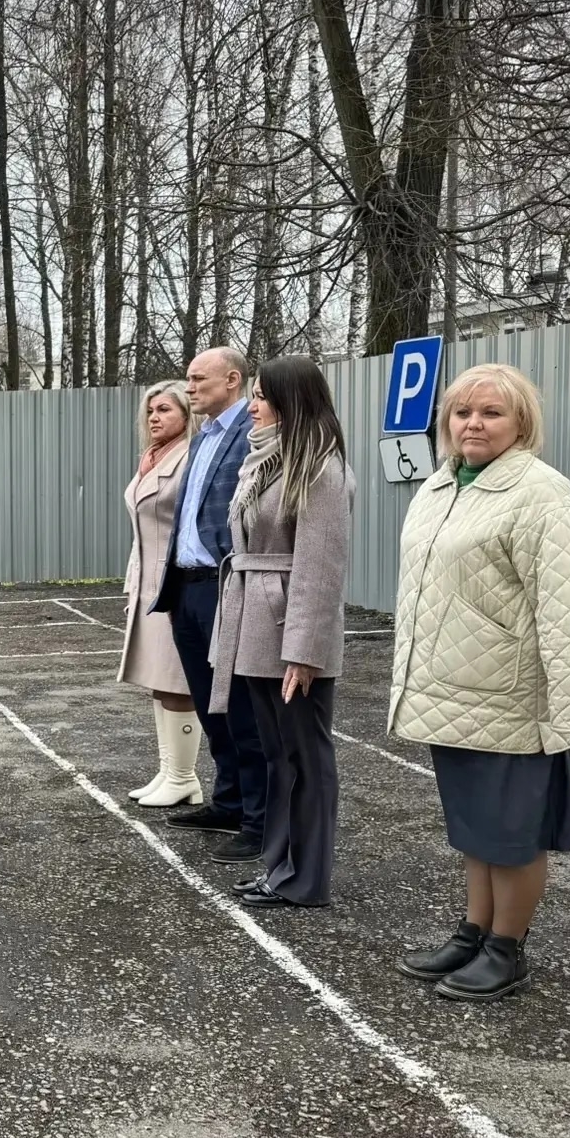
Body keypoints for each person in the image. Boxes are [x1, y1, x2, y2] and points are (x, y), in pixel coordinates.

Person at [392, 364, 570, 1001]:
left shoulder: (543, 494)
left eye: (491, 413)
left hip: (508, 693)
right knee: (475, 826)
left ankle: (507, 948)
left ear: (521, 423)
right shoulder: (440, 486)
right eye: (462, 413)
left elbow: (565, 607)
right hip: (450, 687)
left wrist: (568, 707)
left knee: (511, 834)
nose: (473, 424)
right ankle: (474, 931)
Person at [207, 358, 354, 910]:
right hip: (258, 624)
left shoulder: (320, 469)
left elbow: (321, 568)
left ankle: (305, 877)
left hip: (288, 629)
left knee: (304, 757)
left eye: (263, 396)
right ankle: (280, 867)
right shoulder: (267, 462)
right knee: (278, 755)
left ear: (292, 401)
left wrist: (305, 652)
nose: (253, 406)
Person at [152, 346, 269, 866]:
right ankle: (228, 802)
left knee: (241, 707)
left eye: (199, 378)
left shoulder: (252, 432)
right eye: (189, 378)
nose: (190, 386)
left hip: (227, 585)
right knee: (209, 703)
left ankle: (259, 819)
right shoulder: (203, 437)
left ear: (232, 380)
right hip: (188, 587)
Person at [118, 381, 203, 807]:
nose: (154, 417)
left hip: (175, 584)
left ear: (187, 414)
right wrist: (132, 584)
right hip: (147, 582)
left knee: (177, 680)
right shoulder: (152, 457)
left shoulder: (191, 457)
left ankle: (184, 776)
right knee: (158, 679)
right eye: (151, 410)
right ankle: (170, 771)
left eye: (165, 409)